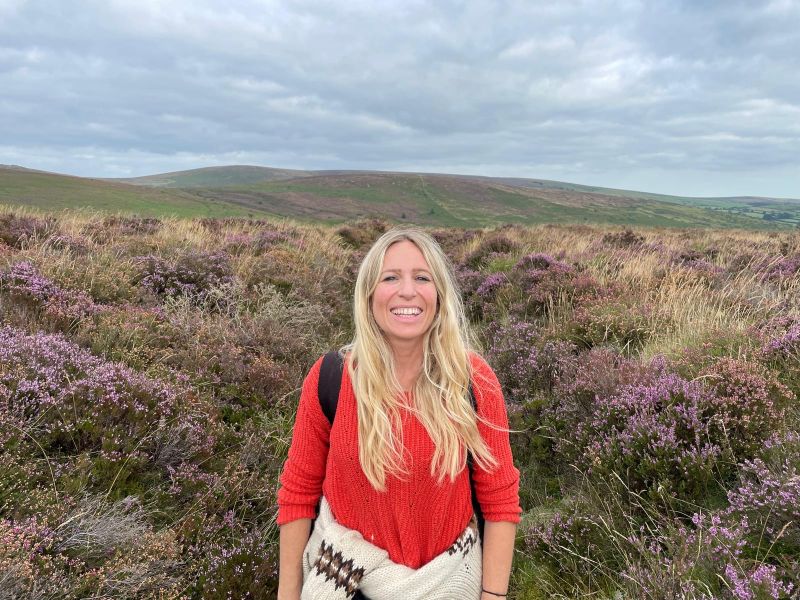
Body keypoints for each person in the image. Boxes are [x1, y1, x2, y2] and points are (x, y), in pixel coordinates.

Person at [277, 228, 521, 600]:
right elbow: (298, 492)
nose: (407, 291)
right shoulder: (332, 379)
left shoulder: (474, 382)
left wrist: (493, 596)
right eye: (390, 277)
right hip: (343, 580)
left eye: (422, 278)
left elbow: (500, 499)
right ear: (369, 293)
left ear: (438, 295)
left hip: (448, 582)